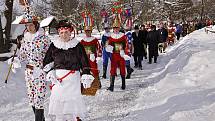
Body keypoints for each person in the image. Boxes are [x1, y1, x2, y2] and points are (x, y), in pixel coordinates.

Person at [43, 20, 94, 121]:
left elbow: (84, 62)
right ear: (58, 33)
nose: (64, 35)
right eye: (61, 32)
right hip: (58, 80)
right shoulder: (54, 45)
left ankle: (74, 118)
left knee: (72, 102)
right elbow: (46, 62)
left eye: (66, 32)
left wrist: (86, 74)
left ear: (70, 32)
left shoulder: (77, 45)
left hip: (73, 79)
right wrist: (50, 72)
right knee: (60, 103)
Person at [8, 13, 51, 121]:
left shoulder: (44, 39)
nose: (28, 27)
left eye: (31, 25)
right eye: (27, 25)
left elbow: (51, 54)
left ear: (36, 25)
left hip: (40, 71)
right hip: (29, 72)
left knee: (39, 99)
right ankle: (42, 119)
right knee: (32, 99)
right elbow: (22, 56)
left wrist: (49, 67)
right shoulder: (25, 39)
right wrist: (16, 60)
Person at [106, 13, 130, 91]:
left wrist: (124, 51)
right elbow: (108, 45)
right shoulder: (111, 37)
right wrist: (108, 48)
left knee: (122, 69)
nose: (116, 29)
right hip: (114, 55)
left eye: (117, 28)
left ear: (119, 28)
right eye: (114, 28)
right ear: (113, 28)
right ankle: (111, 86)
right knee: (113, 70)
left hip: (121, 55)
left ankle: (123, 85)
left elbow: (126, 44)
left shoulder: (123, 36)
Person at [80, 10, 102, 91]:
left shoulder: (94, 40)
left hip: (92, 58)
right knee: (85, 71)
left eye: (89, 31)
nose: (87, 33)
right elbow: (80, 50)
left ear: (91, 31)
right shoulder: (82, 41)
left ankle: (97, 83)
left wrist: (98, 56)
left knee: (94, 70)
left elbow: (99, 48)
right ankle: (86, 86)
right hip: (85, 58)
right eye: (86, 31)